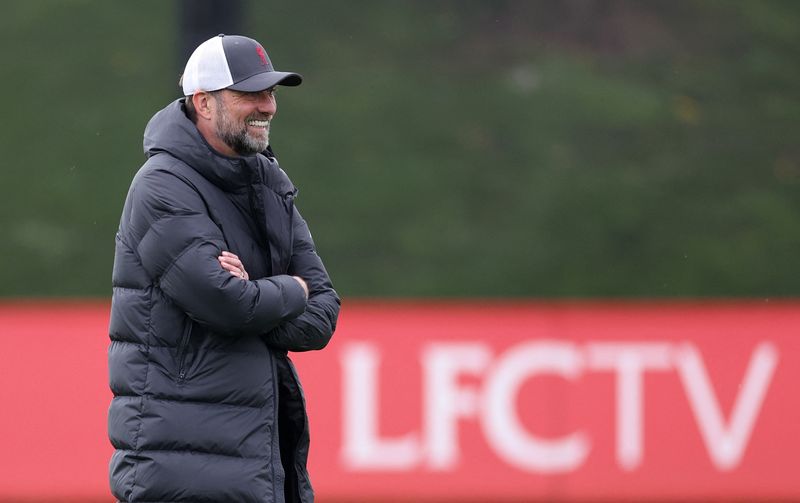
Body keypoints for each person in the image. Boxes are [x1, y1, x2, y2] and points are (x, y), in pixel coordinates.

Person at [107, 34, 340, 502]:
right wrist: (288, 290)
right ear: (203, 103)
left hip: (262, 465)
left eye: (270, 93)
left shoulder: (270, 180)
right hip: (180, 471)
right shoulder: (162, 185)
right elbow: (228, 305)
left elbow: (322, 316)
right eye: (250, 94)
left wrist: (256, 297)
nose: (268, 106)